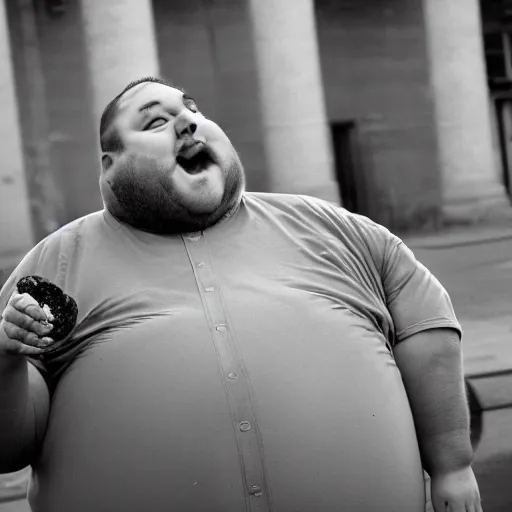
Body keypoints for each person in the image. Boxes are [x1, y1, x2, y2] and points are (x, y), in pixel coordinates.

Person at [0, 76, 482, 512]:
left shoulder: (336, 229)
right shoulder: (57, 263)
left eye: (192, 109)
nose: (188, 122)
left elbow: (426, 325)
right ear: (111, 163)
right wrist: (4, 357)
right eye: (156, 121)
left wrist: (452, 465)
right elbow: (10, 445)